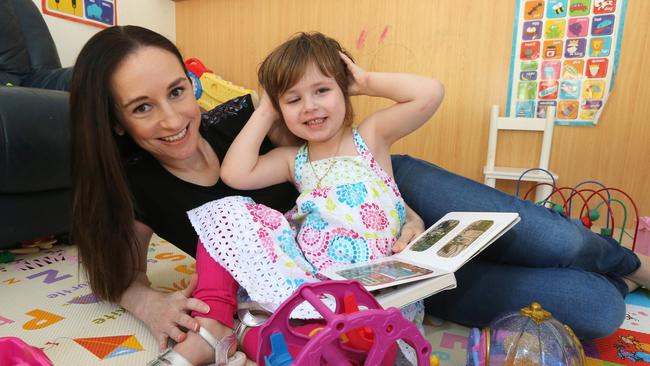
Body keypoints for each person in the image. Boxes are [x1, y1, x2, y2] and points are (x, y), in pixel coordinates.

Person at [69, 25, 650, 366]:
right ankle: (617, 284)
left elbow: (322, 105)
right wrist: (148, 303)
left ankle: (633, 262)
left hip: (394, 190)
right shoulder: (136, 188)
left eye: (179, 91)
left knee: (556, 236)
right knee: (598, 311)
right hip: (368, 269)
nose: (175, 119)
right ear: (115, 122)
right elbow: (116, 268)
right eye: (143, 107)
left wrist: (410, 207)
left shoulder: (245, 111)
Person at [181, 31, 443, 362]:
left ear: (344, 88)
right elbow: (235, 174)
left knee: (367, 344)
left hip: (373, 288)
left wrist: (365, 81)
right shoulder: (294, 159)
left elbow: (430, 93)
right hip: (314, 284)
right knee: (226, 211)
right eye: (293, 100)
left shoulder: (371, 135)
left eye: (322, 90)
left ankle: (262, 337)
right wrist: (265, 111)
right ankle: (249, 334)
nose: (310, 107)